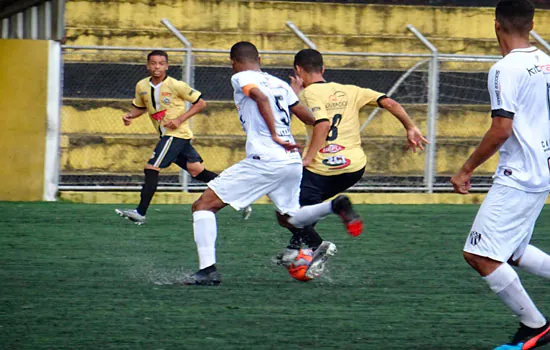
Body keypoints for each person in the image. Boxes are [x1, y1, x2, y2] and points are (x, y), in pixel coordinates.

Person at [185, 41, 361, 285]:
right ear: (259, 58)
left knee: (203, 206)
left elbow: (259, 96)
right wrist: (295, 102)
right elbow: (315, 120)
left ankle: (208, 271)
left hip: (265, 158)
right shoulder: (280, 84)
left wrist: (275, 134)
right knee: (288, 218)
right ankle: (335, 206)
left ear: (233, 62)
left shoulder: (240, 77)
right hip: (290, 161)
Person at [450, 1, 550, 348]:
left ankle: (535, 325)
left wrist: (465, 169)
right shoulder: (545, 61)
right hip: (542, 170)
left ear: (496, 25)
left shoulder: (505, 69)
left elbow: (501, 129)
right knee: (514, 251)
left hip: (520, 175)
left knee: (480, 255)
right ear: (532, 25)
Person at [276, 48, 428, 267]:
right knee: (309, 206)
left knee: (286, 212)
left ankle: (317, 247)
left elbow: (323, 125)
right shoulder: (351, 90)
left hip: (322, 169)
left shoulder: (308, 94)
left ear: (298, 70)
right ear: (323, 69)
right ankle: (295, 248)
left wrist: (308, 157)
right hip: (354, 168)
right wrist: (410, 127)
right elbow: (391, 103)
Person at [114, 50, 252, 224]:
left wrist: (180, 119)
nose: (157, 67)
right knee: (197, 171)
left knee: (151, 167)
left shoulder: (175, 85)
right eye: (153, 63)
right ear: (147, 65)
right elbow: (142, 106)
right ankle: (240, 195)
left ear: (167, 66)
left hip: (176, 135)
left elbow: (200, 103)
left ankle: (140, 212)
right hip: (168, 136)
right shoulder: (141, 86)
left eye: (161, 63)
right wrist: (130, 116)